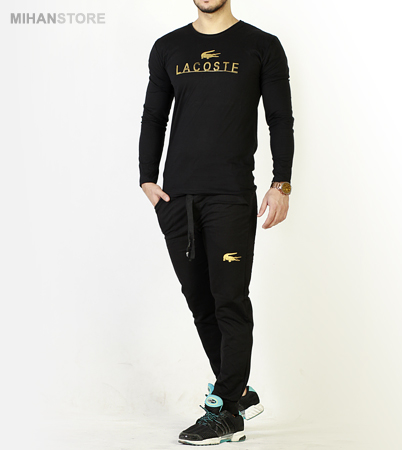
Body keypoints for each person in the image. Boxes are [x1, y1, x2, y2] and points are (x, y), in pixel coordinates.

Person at [138, 0, 294, 445]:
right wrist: (147, 176)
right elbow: (155, 115)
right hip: (176, 197)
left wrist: (281, 183)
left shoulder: (262, 46)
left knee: (230, 301)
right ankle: (239, 393)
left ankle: (226, 413)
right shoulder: (168, 47)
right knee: (200, 302)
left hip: (230, 195)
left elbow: (279, 117)